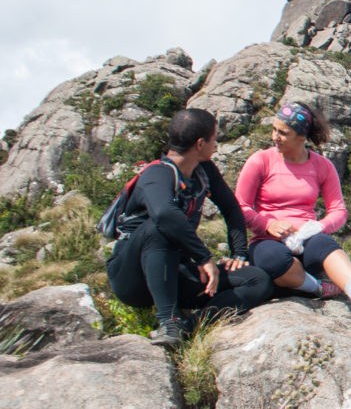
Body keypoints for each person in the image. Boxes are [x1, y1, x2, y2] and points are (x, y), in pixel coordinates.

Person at [105, 108, 274, 348]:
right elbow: (164, 215)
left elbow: (231, 209)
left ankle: (188, 328)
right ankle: (169, 322)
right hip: (132, 278)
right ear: (200, 143)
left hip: (174, 270)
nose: (216, 144)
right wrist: (204, 257)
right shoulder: (156, 174)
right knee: (159, 227)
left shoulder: (204, 171)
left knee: (258, 280)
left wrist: (239, 254)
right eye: (214, 138)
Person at [235, 101, 351, 340]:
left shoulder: (322, 166)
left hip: (306, 240)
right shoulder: (261, 161)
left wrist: (316, 227)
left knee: (325, 245)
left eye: (283, 132)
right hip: (268, 242)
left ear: (301, 136)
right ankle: (318, 288)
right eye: (274, 129)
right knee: (273, 259)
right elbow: (240, 207)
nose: (275, 137)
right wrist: (268, 224)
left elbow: (338, 211)